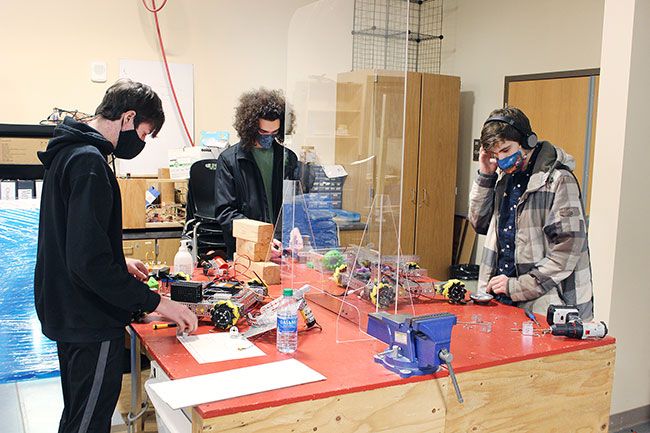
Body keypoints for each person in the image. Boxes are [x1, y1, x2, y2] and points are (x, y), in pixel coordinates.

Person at [34, 79, 198, 433]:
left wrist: (117, 261)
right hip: (88, 317)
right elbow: (88, 264)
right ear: (127, 117)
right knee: (89, 421)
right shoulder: (89, 163)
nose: (141, 142)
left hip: (67, 307)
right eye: (144, 133)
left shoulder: (68, 152)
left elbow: (71, 239)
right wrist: (158, 303)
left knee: (79, 410)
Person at [468, 106, 593, 320]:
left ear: (528, 142)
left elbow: (567, 250)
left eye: (506, 150)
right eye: (495, 154)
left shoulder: (559, 180)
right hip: (500, 296)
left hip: (547, 302)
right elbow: (479, 223)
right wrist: (486, 176)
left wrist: (516, 286)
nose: (501, 160)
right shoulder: (503, 177)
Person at [215, 88, 299, 257]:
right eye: (263, 132)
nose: (269, 137)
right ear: (251, 127)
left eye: (274, 133)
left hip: (281, 248)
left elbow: (295, 204)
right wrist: (260, 236)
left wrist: (296, 228)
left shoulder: (287, 158)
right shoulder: (230, 160)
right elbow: (225, 212)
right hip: (246, 249)